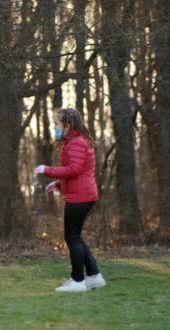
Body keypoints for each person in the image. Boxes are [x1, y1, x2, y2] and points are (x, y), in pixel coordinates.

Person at [35, 108, 106, 292]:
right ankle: (94, 276)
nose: (55, 127)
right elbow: (78, 172)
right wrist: (58, 184)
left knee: (72, 237)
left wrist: (47, 170)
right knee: (75, 236)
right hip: (82, 194)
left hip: (80, 197)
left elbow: (74, 169)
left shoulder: (76, 142)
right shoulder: (76, 141)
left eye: (57, 124)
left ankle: (77, 281)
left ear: (68, 124)